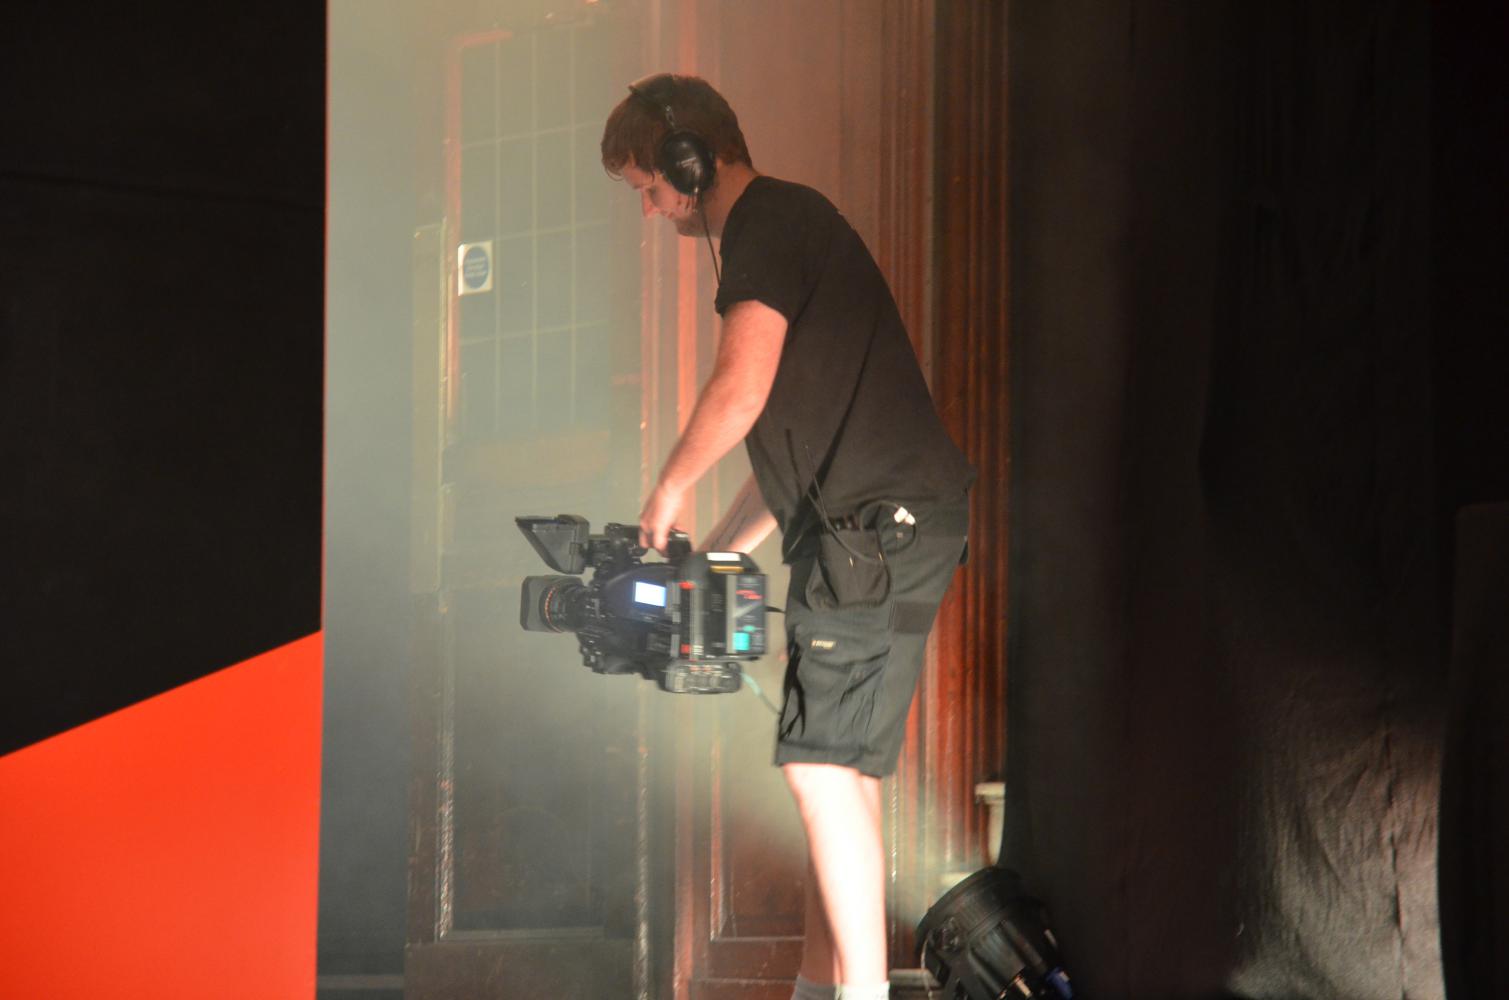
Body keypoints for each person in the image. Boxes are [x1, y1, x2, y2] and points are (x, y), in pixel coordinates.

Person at [601, 74, 974, 1000]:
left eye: (649, 185)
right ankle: (822, 988)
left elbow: (740, 388)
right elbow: (785, 460)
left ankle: (861, 995)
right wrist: (717, 550)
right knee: (839, 775)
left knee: (818, 767)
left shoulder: (765, 223)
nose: (649, 209)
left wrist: (670, 488)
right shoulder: (783, 223)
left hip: (874, 531)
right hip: (871, 530)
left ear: (691, 160)